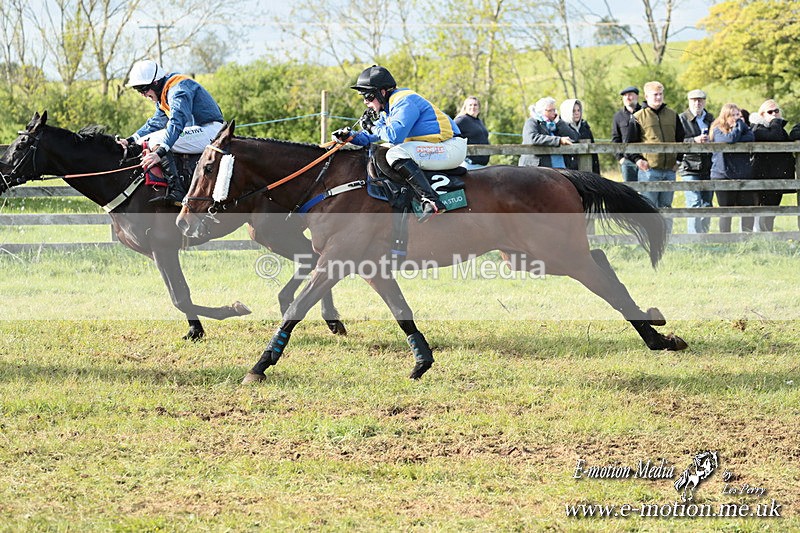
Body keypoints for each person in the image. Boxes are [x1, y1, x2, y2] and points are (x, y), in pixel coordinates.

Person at [334, 65, 466, 222]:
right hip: (437, 146)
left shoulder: (405, 102)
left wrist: (372, 126)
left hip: (450, 147)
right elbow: (372, 136)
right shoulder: (389, 109)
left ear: (382, 92)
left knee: (395, 153)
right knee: (385, 150)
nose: (365, 102)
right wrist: (349, 137)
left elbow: (394, 136)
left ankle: (430, 200)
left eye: (368, 97)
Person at [116, 59, 224, 206]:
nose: (142, 94)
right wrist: (129, 140)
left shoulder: (177, 89)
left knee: (157, 140)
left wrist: (159, 153)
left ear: (155, 83)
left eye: (143, 89)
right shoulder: (164, 93)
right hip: (197, 131)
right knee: (145, 140)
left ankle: (178, 190)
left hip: (211, 132)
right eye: (138, 90)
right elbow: (155, 123)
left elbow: (176, 122)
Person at [627, 80, 685, 233]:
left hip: (670, 170)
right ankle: (648, 238)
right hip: (649, 171)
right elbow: (628, 145)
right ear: (646, 96)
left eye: (660, 94)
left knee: (666, 207)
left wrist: (678, 160)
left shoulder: (673, 115)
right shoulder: (637, 117)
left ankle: (667, 239)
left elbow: (681, 139)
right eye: (655, 95)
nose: (658, 97)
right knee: (648, 208)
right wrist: (638, 160)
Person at [710, 103, 756, 233]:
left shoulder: (742, 128)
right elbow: (729, 139)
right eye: (733, 115)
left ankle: (747, 238)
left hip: (743, 174)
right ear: (725, 116)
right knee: (726, 210)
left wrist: (738, 128)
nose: (736, 118)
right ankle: (725, 239)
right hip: (722, 174)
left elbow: (751, 137)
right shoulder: (717, 130)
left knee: (747, 209)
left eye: (738, 115)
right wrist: (739, 128)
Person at [750, 99, 794, 232]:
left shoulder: (780, 129)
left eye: (776, 111)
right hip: (761, 175)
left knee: (772, 210)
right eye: (770, 112)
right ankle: (758, 238)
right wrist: (776, 121)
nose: (774, 114)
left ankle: (769, 238)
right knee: (760, 210)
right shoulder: (757, 128)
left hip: (778, 175)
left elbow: (789, 137)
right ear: (762, 114)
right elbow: (774, 136)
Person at [678, 89, 715, 234]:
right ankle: (693, 238)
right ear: (689, 101)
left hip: (708, 165)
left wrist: (710, 140)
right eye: (694, 100)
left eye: (700, 100)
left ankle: (703, 236)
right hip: (689, 165)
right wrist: (694, 140)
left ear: (704, 102)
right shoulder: (681, 119)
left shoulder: (711, 119)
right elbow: (676, 141)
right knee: (694, 202)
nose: (697, 103)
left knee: (707, 204)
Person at [518, 97, 573, 168]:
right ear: (541, 111)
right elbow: (532, 138)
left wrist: (559, 122)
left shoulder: (556, 123)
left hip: (558, 168)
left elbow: (573, 137)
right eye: (550, 110)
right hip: (535, 167)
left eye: (554, 110)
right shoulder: (532, 122)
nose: (554, 113)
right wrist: (558, 140)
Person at [557, 98, 600, 173]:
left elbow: (593, 153)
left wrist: (596, 171)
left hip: (587, 168)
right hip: (568, 171)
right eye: (573, 111)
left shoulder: (585, 127)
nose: (577, 113)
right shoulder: (560, 128)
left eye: (578, 110)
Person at [610, 86, 642, 182]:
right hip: (627, 162)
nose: (627, 98)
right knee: (629, 189)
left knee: (647, 189)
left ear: (637, 96)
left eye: (630, 95)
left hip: (645, 160)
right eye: (625, 96)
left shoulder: (645, 112)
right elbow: (615, 139)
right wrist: (620, 158)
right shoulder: (618, 116)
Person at [454, 96, 491, 170]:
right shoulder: (462, 120)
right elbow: (449, 133)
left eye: (475, 105)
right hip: (469, 164)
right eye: (470, 105)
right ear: (465, 107)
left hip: (482, 165)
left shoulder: (479, 121)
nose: (473, 107)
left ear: (479, 107)